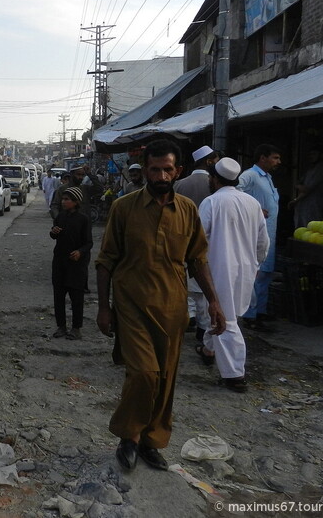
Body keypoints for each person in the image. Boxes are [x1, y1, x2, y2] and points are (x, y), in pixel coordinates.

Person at [95, 139, 225, 472]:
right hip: (131, 304)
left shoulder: (188, 210)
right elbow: (106, 260)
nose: (161, 175)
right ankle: (130, 436)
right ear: (146, 171)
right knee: (144, 373)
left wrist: (213, 301)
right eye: (155, 169)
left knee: (166, 378)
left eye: (168, 169)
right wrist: (103, 307)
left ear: (177, 170)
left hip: (172, 306)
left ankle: (153, 439)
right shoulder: (124, 208)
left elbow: (198, 259)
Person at [198, 158, 269, 392]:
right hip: (246, 269)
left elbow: (199, 240)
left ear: (215, 179)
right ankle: (209, 350)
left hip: (219, 268)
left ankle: (235, 374)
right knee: (226, 314)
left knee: (225, 319)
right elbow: (262, 242)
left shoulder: (211, 202)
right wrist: (256, 264)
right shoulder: (252, 203)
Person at [174, 145, 220, 338]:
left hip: (182, 240)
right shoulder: (215, 184)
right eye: (215, 160)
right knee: (203, 286)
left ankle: (190, 315)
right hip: (209, 242)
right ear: (209, 161)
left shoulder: (180, 184)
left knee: (187, 282)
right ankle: (203, 327)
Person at [238, 144, 282, 331]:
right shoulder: (250, 175)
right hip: (255, 234)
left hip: (269, 233)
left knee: (265, 274)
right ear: (262, 158)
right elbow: (235, 192)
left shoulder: (267, 178)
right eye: (275, 157)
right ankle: (250, 315)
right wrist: (253, 207)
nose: (278, 162)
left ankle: (260, 311)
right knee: (255, 275)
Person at [49, 187, 93, 339]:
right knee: (58, 296)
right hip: (60, 262)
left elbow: (89, 243)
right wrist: (53, 232)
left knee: (76, 298)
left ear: (76, 202)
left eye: (67, 199)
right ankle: (61, 327)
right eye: (63, 199)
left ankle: (76, 328)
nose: (63, 202)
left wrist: (80, 252)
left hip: (76, 264)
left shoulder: (84, 219)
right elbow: (53, 235)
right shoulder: (60, 217)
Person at [289, 146, 323, 228]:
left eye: (314, 154)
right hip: (303, 204)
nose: (311, 156)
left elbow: (307, 189)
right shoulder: (311, 169)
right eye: (310, 154)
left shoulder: (321, 169)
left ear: (321, 155)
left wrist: (295, 199)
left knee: (311, 227)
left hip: (313, 204)